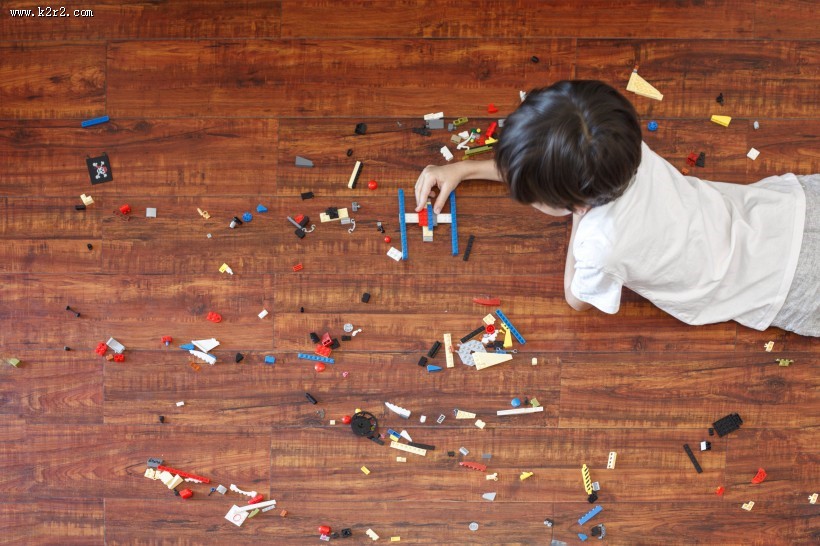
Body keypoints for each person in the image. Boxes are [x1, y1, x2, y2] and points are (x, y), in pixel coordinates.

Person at [414, 80, 818, 337]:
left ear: (571, 201)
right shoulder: (620, 146)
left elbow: (576, 299)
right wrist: (466, 169)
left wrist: (579, 222)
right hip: (788, 212)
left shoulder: (599, 244)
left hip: (787, 289)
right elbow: (553, 162)